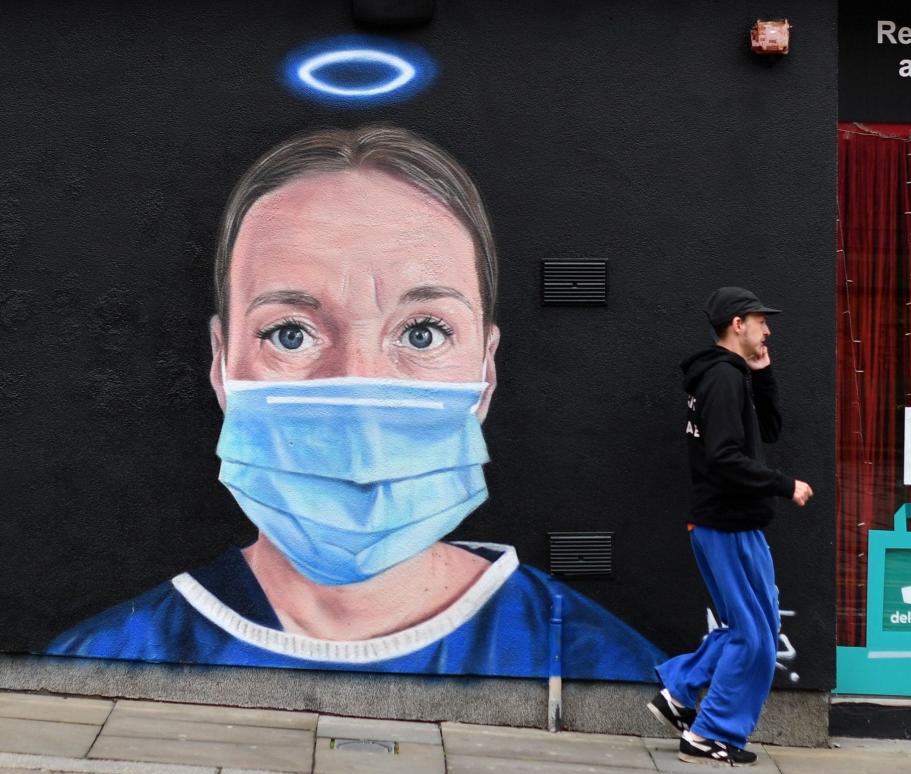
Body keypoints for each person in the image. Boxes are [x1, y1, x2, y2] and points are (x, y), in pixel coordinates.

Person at [46, 125, 665, 681]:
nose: (360, 393)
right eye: (289, 333)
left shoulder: (602, 668)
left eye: (423, 332)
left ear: (486, 370)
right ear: (220, 364)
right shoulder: (104, 664)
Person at [647, 286, 813, 767]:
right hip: (726, 523)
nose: (769, 329)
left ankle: (679, 693)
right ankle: (709, 734)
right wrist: (785, 485)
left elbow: (772, 428)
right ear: (737, 324)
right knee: (755, 639)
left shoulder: (734, 376)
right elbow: (723, 458)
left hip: (734, 523)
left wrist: (763, 373)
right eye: (761, 320)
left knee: (752, 629)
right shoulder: (720, 379)